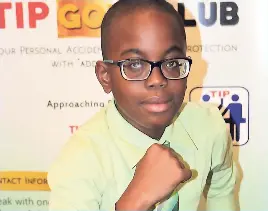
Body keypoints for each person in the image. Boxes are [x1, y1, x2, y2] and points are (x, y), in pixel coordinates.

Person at [47, 0, 237, 210]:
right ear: (105, 76)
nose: (157, 79)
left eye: (172, 63)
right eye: (135, 64)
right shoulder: (79, 163)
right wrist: (135, 200)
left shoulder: (209, 128)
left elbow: (221, 188)